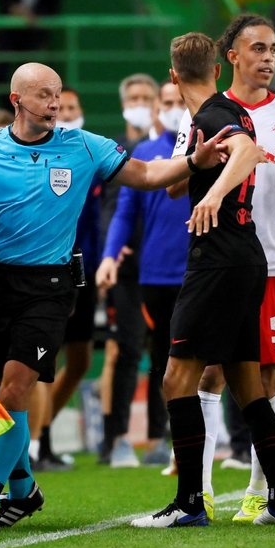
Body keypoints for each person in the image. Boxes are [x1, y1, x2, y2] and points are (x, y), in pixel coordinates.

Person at [0, 61, 226, 532]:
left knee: (17, 384)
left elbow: (145, 174)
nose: (54, 103)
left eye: (57, 94)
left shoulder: (83, 146)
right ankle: (23, 487)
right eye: (43, 95)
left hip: (51, 286)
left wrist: (195, 162)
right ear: (17, 100)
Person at [130, 31, 275, 529]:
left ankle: (188, 504)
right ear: (219, 68)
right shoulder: (217, 117)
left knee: (175, 378)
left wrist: (211, 197)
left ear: (173, 76)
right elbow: (181, 183)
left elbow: (247, 153)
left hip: (218, 256)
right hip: (248, 255)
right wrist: (194, 174)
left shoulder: (212, 114)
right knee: (248, 380)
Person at [190, 14, 275, 524]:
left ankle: (258, 492)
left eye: (273, 49)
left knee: (265, 374)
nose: (269, 57)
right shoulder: (211, 114)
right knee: (208, 371)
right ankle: (200, 490)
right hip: (220, 262)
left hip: (274, 264)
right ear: (233, 56)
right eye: (258, 49)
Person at [96, 79, 190, 469]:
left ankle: (180, 439)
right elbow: (124, 211)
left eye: (177, 102)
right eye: (165, 102)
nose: (171, 108)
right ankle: (132, 438)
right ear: (157, 109)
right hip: (151, 274)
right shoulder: (144, 153)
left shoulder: (208, 148)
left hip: (196, 270)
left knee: (190, 360)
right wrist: (109, 255)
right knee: (149, 355)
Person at [29, 86, 94, 471]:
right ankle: (40, 443)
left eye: (70, 105)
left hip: (87, 265)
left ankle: (41, 437)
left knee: (81, 357)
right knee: (41, 359)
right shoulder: (37, 156)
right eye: (57, 105)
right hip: (49, 268)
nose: (63, 111)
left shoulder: (89, 151)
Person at [102, 73, 160, 468]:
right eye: (133, 96)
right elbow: (112, 209)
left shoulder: (169, 149)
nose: (139, 102)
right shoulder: (116, 152)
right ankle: (117, 438)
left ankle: (159, 436)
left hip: (160, 265)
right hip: (124, 269)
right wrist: (112, 249)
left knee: (165, 351)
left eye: (146, 97)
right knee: (125, 350)